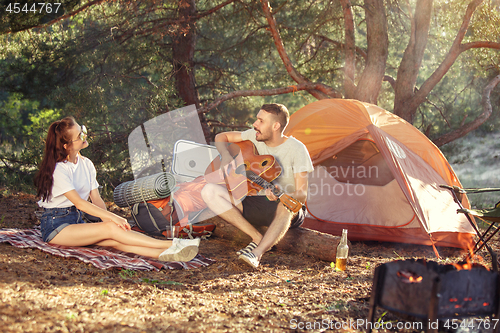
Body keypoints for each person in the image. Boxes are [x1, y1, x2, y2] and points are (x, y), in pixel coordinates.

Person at [34, 117, 199, 262]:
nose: (85, 136)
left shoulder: (86, 164)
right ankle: (172, 244)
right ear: (66, 146)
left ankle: (167, 254)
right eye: (80, 136)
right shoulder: (60, 170)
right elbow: (80, 204)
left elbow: (96, 199)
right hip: (56, 227)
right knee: (111, 229)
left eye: (83, 130)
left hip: (76, 222)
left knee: (114, 239)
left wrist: (109, 221)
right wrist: (112, 220)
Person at [201, 103, 314, 268]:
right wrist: (225, 155)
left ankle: (256, 253)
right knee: (209, 190)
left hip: (286, 206)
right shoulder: (254, 135)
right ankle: (256, 237)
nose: (255, 124)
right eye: (256, 119)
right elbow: (221, 137)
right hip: (253, 201)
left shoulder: (297, 149)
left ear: (276, 126)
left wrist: (282, 195)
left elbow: (302, 194)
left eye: (260, 121)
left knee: (285, 205)